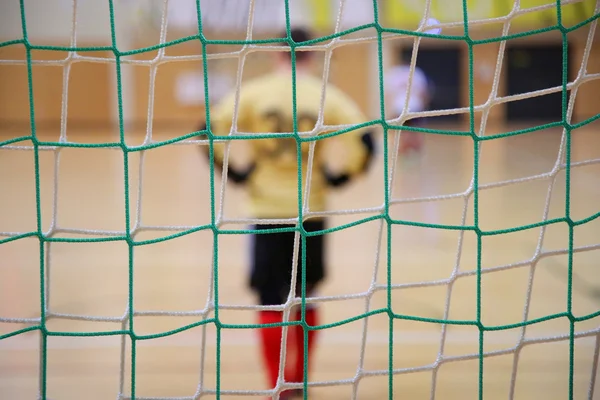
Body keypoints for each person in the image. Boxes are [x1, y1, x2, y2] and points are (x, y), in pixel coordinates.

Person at [199, 27, 375, 399]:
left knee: (268, 299)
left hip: (265, 212)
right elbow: (366, 141)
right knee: (305, 297)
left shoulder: (253, 93)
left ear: (277, 54)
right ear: (311, 56)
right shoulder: (326, 95)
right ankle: (298, 379)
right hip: (310, 213)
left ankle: (275, 385)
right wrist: (342, 176)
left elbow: (206, 131)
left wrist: (234, 173)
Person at [384, 46, 432, 155]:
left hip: (398, 107)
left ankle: (401, 151)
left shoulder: (393, 73)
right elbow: (424, 94)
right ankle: (415, 151)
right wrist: (424, 108)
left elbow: (388, 94)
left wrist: (390, 109)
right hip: (414, 106)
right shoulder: (417, 72)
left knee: (400, 132)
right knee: (416, 131)